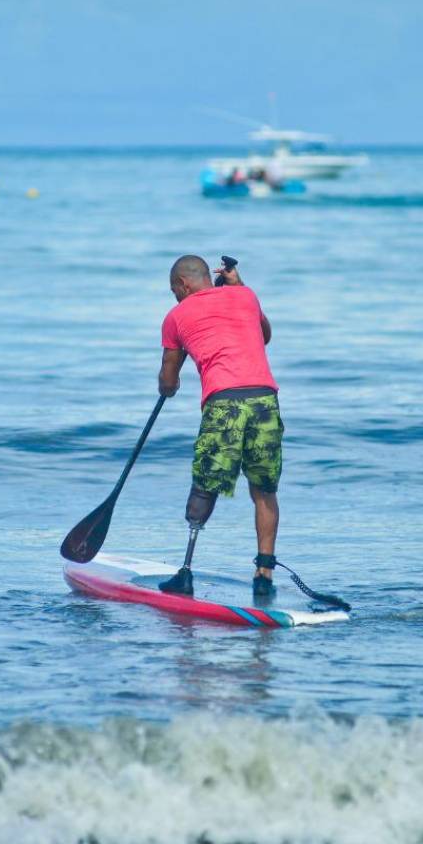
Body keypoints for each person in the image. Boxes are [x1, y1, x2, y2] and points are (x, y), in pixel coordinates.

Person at [157, 254, 283, 602]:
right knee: (264, 488)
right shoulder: (246, 295)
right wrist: (239, 285)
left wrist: (167, 386)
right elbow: (265, 335)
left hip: (223, 403)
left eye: (174, 290)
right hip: (264, 400)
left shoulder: (176, 316)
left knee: (205, 486)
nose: (175, 297)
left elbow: (169, 377)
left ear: (183, 284)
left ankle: (184, 574)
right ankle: (264, 575)